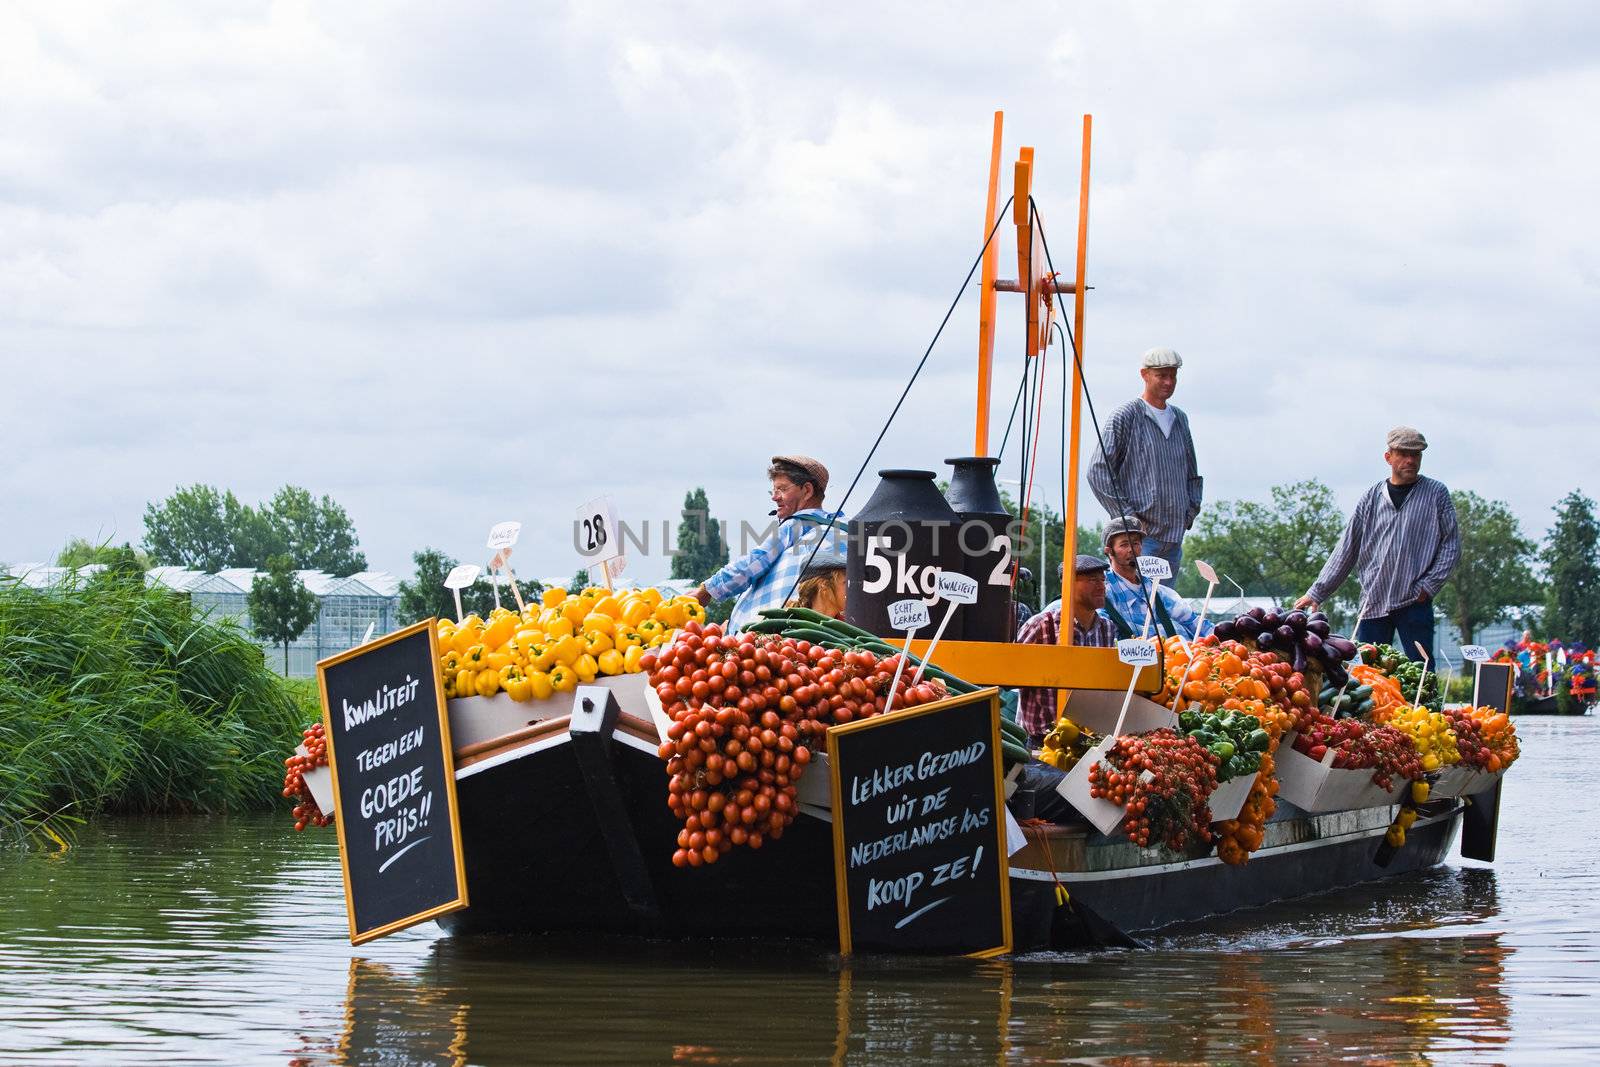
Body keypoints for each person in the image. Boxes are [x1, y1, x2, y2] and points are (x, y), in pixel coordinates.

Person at [1294, 426, 1460, 663]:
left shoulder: (1435, 494)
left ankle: (1424, 702)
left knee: (1421, 669)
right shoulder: (1371, 497)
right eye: (1403, 454)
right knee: (1368, 671)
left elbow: (1451, 545)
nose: (1410, 460)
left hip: (1414, 600)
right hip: (1374, 599)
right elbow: (1347, 548)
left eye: (1416, 455)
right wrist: (1318, 591)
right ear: (1388, 457)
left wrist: (1428, 587)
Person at [693, 455, 844, 633]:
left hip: (776, 637)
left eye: (782, 489)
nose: (774, 497)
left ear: (807, 490)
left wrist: (706, 591)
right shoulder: (846, 528)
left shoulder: (797, 524)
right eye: (773, 491)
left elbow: (753, 562)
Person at [1086, 346, 1203, 572]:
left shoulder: (1180, 419)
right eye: (1161, 375)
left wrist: (1189, 513)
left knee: (1164, 603)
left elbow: (1192, 474)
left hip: (1174, 538)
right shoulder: (1126, 416)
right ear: (1145, 375)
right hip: (1140, 541)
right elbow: (1098, 471)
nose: (1168, 382)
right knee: (1136, 601)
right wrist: (1128, 518)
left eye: (1172, 376)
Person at [1015, 555, 1118, 744]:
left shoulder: (1108, 628)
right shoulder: (1040, 626)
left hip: (1089, 739)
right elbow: (1011, 673)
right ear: (1068, 584)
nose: (1101, 586)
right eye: (1092, 580)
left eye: (1103, 579)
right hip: (1042, 741)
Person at [1101, 517, 1213, 641]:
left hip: (1174, 657)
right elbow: (1103, 634)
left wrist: (1222, 636)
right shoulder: (1103, 592)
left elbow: (1193, 622)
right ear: (1109, 551)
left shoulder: (1157, 591)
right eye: (1124, 544)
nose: (1131, 549)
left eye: (1135, 543)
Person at [789, 543, 847, 618]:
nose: (853, 590)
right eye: (845, 583)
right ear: (824, 585)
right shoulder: (789, 625)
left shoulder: (852, 625)